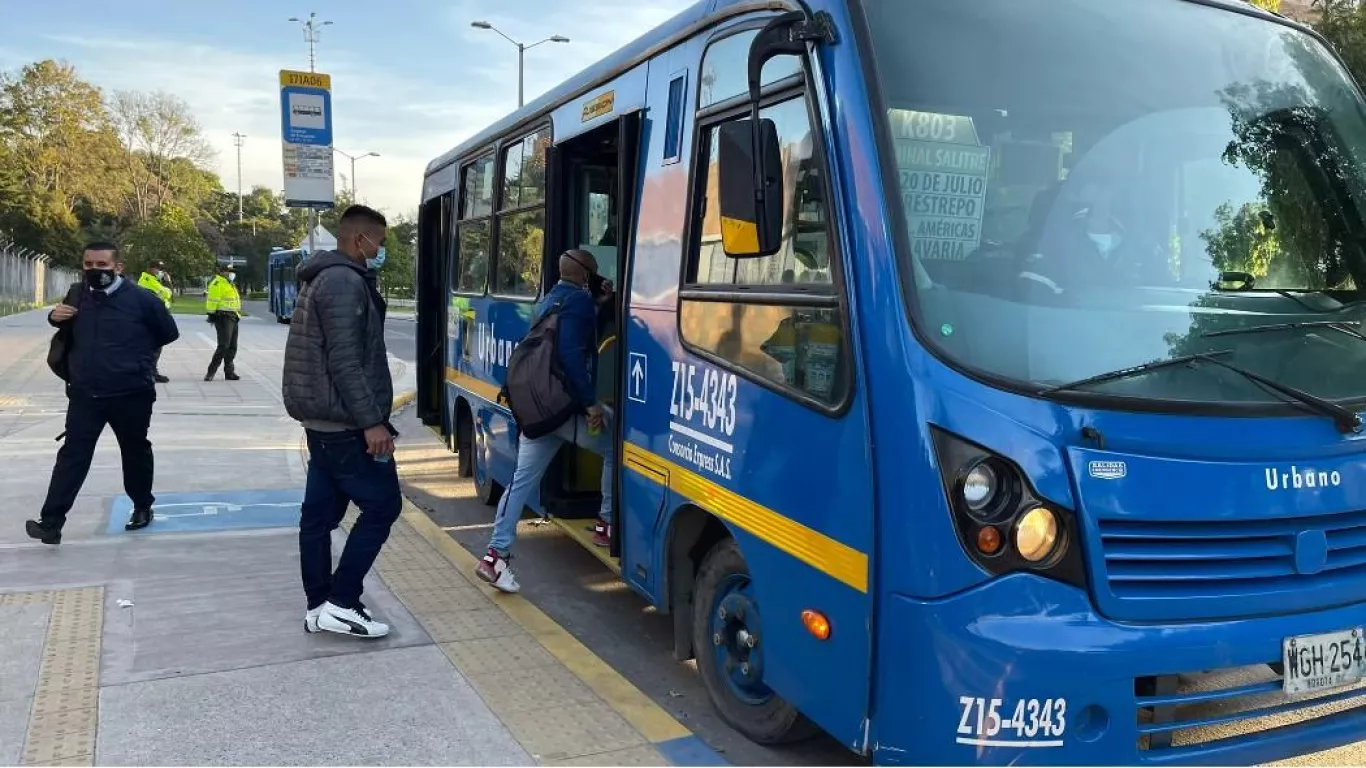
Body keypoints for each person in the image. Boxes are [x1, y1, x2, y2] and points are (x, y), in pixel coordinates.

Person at [283, 205, 399, 639]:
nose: (380, 251)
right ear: (359, 240)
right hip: (346, 424)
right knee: (384, 505)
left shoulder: (324, 277)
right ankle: (342, 600)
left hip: (324, 422)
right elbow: (346, 360)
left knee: (318, 515)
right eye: (379, 243)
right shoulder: (344, 282)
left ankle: (319, 606)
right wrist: (372, 422)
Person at [478, 249, 616, 594]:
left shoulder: (549, 300)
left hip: (537, 410)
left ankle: (495, 557)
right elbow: (570, 354)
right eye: (594, 272)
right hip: (563, 410)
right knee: (617, 445)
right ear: (584, 274)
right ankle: (607, 524)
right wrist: (590, 404)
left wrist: (600, 301)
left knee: (520, 483)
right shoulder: (579, 303)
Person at [25, 242, 180, 545]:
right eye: (88, 265)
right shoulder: (76, 295)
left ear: (118, 267)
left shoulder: (142, 300)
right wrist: (53, 317)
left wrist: (138, 361)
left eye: (101, 265)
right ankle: (51, 522)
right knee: (72, 456)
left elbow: (168, 333)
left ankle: (142, 505)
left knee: (135, 451)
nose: (94, 271)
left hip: (131, 393)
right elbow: (64, 325)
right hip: (85, 394)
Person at [137, 260, 174, 383]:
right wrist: (168, 282)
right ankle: (150, 372)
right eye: (158, 269)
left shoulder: (153, 280)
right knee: (154, 346)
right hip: (151, 317)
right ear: (150, 269)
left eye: (161, 269)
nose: (160, 272)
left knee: (156, 346)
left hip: (156, 316)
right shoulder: (147, 280)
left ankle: (150, 371)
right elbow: (166, 294)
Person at [204, 264, 242, 381]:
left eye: (232, 271)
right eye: (228, 271)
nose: (231, 273)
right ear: (221, 272)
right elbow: (212, 300)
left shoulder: (229, 283)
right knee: (224, 345)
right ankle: (211, 372)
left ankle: (229, 372)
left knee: (232, 346)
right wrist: (211, 314)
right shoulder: (217, 283)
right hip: (223, 316)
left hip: (233, 316)